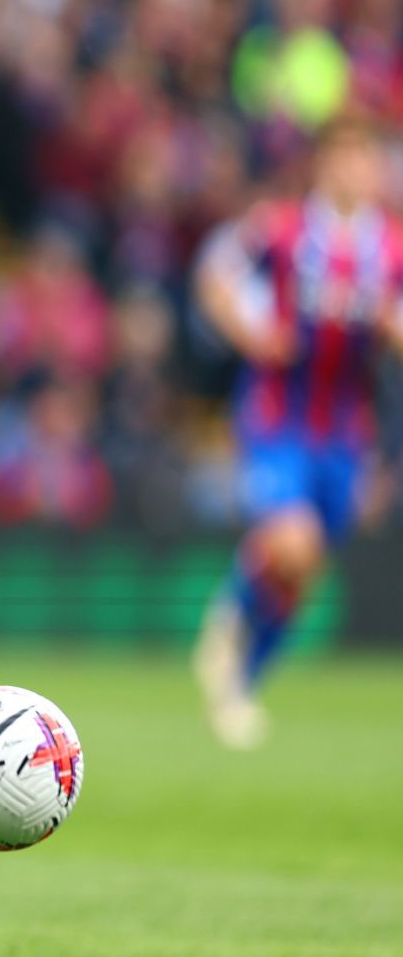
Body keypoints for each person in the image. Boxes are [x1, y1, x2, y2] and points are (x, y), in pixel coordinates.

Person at [193, 114, 403, 749]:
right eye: (341, 158)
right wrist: (249, 332)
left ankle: (241, 684)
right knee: (294, 544)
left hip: (347, 432)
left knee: (304, 574)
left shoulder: (390, 249)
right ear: (321, 166)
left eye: (363, 160)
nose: (353, 171)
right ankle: (229, 613)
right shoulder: (281, 231)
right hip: (278, 418)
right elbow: (214, 275)